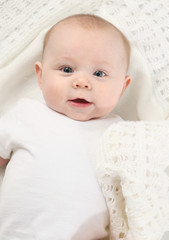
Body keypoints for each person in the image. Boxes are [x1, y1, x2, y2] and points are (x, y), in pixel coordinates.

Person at [0, 14, 131, 239]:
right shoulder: (27, 114)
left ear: (122, 87)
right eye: (67, 69)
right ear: (40, 77)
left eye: (99, 73)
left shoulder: (120, 134)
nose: (81, 82)